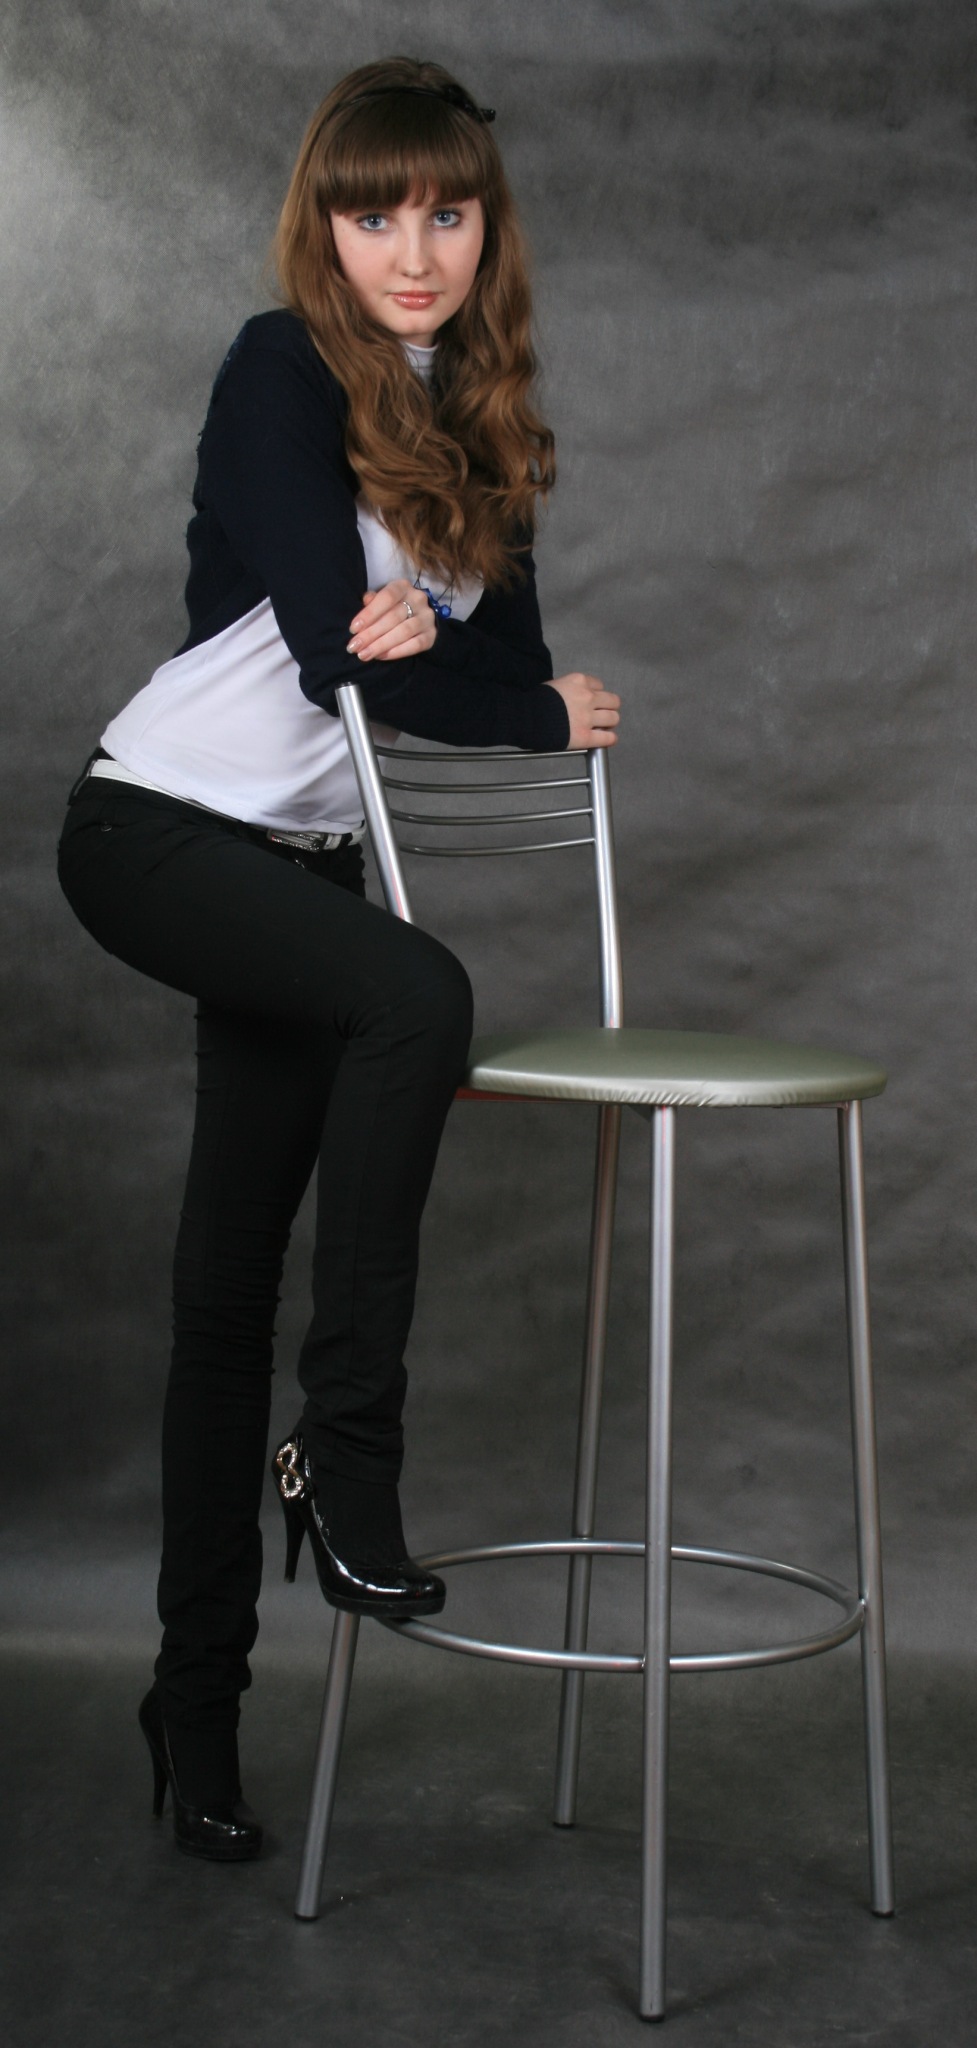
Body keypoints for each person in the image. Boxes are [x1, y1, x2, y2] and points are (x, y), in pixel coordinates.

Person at [57, 55, 621, 1864]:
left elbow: (476, 674)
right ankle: (350, 1450)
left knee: (223, 1290)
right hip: (155, 827)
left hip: (300, 863)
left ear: (486, 231)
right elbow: (344, 658)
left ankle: (193, 1709)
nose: (414, 251)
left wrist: (459, 670)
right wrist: (485, 685)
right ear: (327, 225)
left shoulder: (490, 435)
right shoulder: (277, 371)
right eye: (376, 215)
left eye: (447, 213)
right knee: (419, 991)